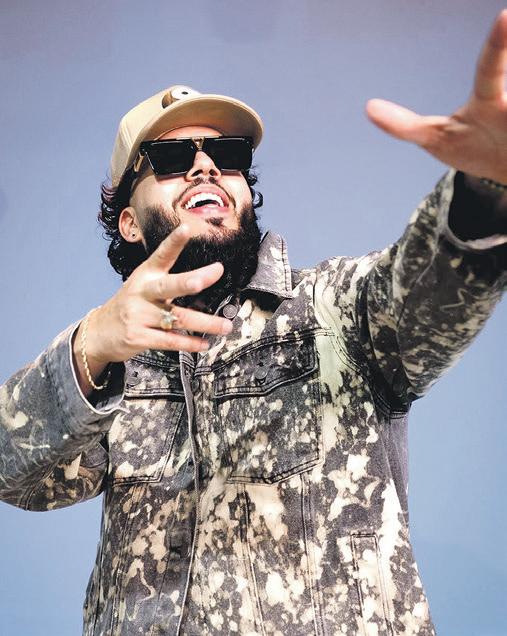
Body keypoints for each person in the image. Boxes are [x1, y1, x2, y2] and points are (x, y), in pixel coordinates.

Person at [1, 10, 506, 636]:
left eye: (227, 154)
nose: (205, 166)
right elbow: (13, 474)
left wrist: (484, 190)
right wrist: (89, 349)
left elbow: (430, 293)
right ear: (128, 222)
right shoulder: (112, 366)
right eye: (171, 156)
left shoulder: (335, 311)